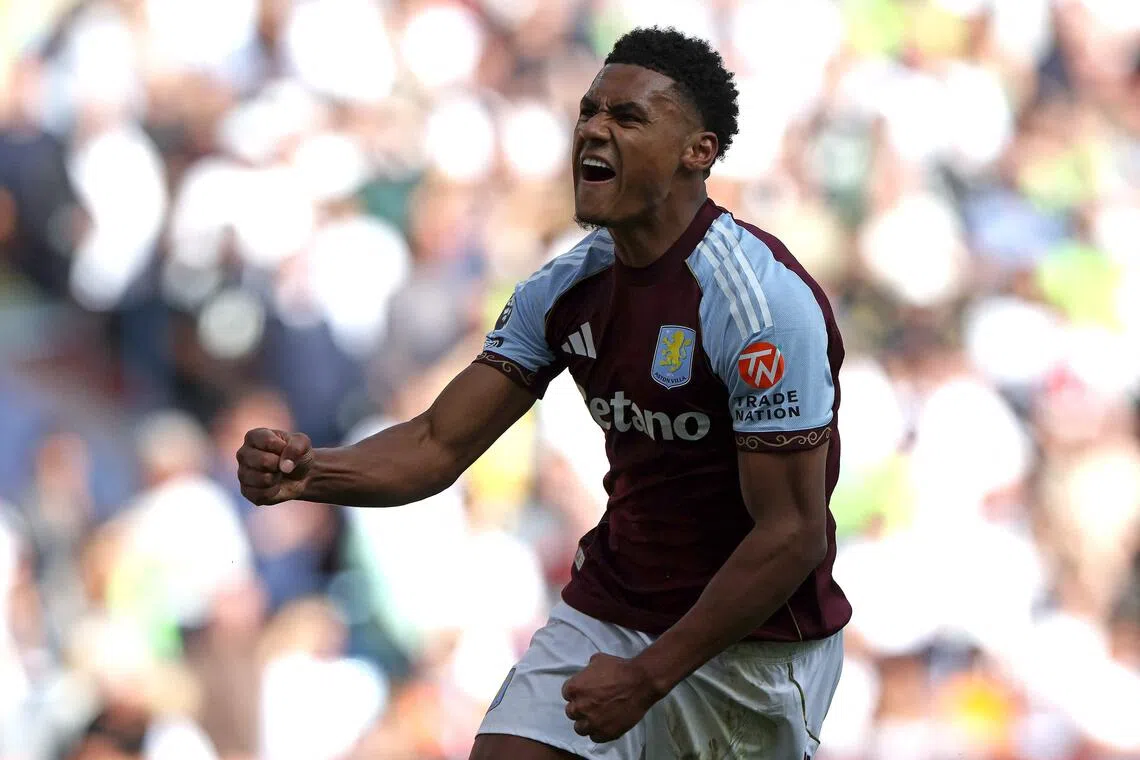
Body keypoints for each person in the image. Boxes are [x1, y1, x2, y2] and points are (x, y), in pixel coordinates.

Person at [236, 26, 851, 760]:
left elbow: (791, 536)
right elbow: (437, 443)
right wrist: (314, 473)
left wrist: (648, 677)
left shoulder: (758, 306)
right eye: (589, 112)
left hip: (753, 644)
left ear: (699, 151)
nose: (593, 128)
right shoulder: (564, 289)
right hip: (615, 611)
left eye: (628, 117)